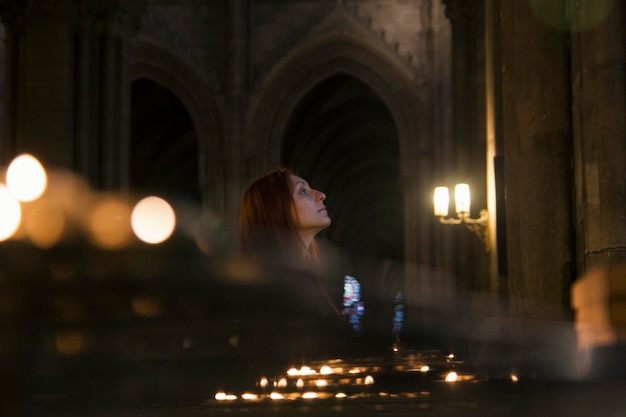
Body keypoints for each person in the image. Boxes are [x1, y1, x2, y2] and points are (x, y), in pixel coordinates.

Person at [239, 166, 331, 268]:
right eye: (302, 191)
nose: (321, 195)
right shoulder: (265, 278)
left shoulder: (306, 274)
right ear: (275, 209)